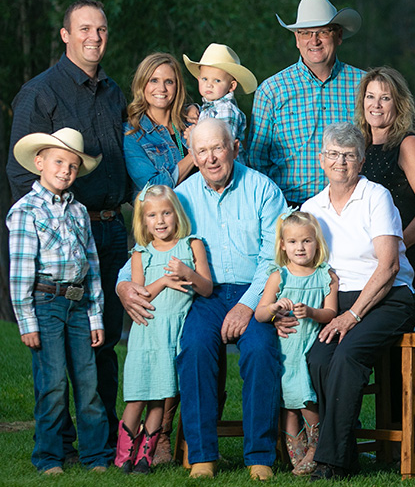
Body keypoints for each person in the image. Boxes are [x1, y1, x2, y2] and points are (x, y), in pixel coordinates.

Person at [116, 118, 287, 480]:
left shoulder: (262, 190)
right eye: (202, 150)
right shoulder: (183, 196)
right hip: (203, 296)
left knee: (260, 350)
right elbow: (151, 248)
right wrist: (122, 285)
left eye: (218, 148)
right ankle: (202, 454)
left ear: (235, 148)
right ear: (192, 154)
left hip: (252, 292)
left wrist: (247, 305)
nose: (211, 158)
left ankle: (260, 455)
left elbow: (273, 259)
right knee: (193, 347)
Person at [6, 0, 129, 451]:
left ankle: (103, 439)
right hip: (63, 233)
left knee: (104, 338)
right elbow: (21, 173)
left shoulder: (114, 93)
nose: (93, 37)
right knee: (58, 350)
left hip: (113, 229)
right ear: (65, 35)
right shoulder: (41, 93)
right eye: (83, 29)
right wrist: (47, 233)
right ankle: (60, 438)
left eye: (101, 29)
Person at [300, 122, 415, 481]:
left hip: (389, 296)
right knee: (318, 359)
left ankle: (331, 462)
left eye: (349, 155)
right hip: (339, 300)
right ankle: (346, 452)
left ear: (361, 160)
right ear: (321, 160)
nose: (340, 162)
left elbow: (389, 265)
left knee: (348, 356)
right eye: (333, 154)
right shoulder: (312, 207)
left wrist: (351, 316)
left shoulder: (376, 196)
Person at [6, 128, 111, 475]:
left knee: (88, 382)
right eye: (59, 162)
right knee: (52, 383)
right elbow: (20, 272)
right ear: (40, 162)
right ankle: (49, 457)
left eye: (73, 165)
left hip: (79, 304)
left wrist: (96, 316)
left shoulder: (79, 211)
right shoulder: (26, 211)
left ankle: (96, 455)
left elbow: (92, 265)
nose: (66, 170)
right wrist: (27, 322)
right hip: (45, 305)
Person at [114, 184, 213, 474]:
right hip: (146, 332)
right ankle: (124, 456)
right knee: (136, 397)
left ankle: (146, 455)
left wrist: (188, 273)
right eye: (152, 215)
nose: (160, 221)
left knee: (160, 396)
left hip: (174, 333)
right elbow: (140, 293)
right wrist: (165, 281)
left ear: (177, 214)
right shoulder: (139, 253)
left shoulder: (192, 245)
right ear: (143, 221)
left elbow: (206, 288)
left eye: (166, 213)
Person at [247, 0, 365, 206]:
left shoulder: (364, 85)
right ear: (296, 39)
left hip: (351, 206)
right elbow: (257, 162)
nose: (314, 40)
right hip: (290, 207)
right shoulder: (271, 91)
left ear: (338, 36)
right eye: (305, 33)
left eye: (323, 32)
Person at [255, 210, 338, 476]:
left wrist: (312, 312)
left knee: (305, 399)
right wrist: (275, 308)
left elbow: (331, 313)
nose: (300, 247)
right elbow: (259, 313)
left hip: (309, 344)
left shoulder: (326, 276)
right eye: (292, 242)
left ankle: (316, 446)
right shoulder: (279, 276)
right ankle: (296, 453)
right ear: (282, 245)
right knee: (287, 403)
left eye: (306, 241)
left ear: (317, 243)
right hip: (285, 347)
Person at [356, 66, 415, 296]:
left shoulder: (408, 144)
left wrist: (397, 247)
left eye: (385, 98)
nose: (376, 105)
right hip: (367, 260)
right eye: (370, 96)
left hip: (405, 257)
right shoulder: (359, 145)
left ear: (399, 104)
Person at [124, 53, 195, 192]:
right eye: (154, 80)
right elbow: (153, 187)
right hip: (163, 213)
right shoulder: (131, 133)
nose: (162, 88)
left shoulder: (190, 124)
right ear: (142, 84)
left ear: (177, 87)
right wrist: (196, 153)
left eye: (169, 81)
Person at [183, 43, 258, 157]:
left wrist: (193, 137)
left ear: (231, 86)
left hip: (228, 169)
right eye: (204, 79)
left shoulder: (226, 110)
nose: (209, 85)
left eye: (217, 80)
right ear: (198, 80)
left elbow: (222, 144)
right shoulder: (209, 107)